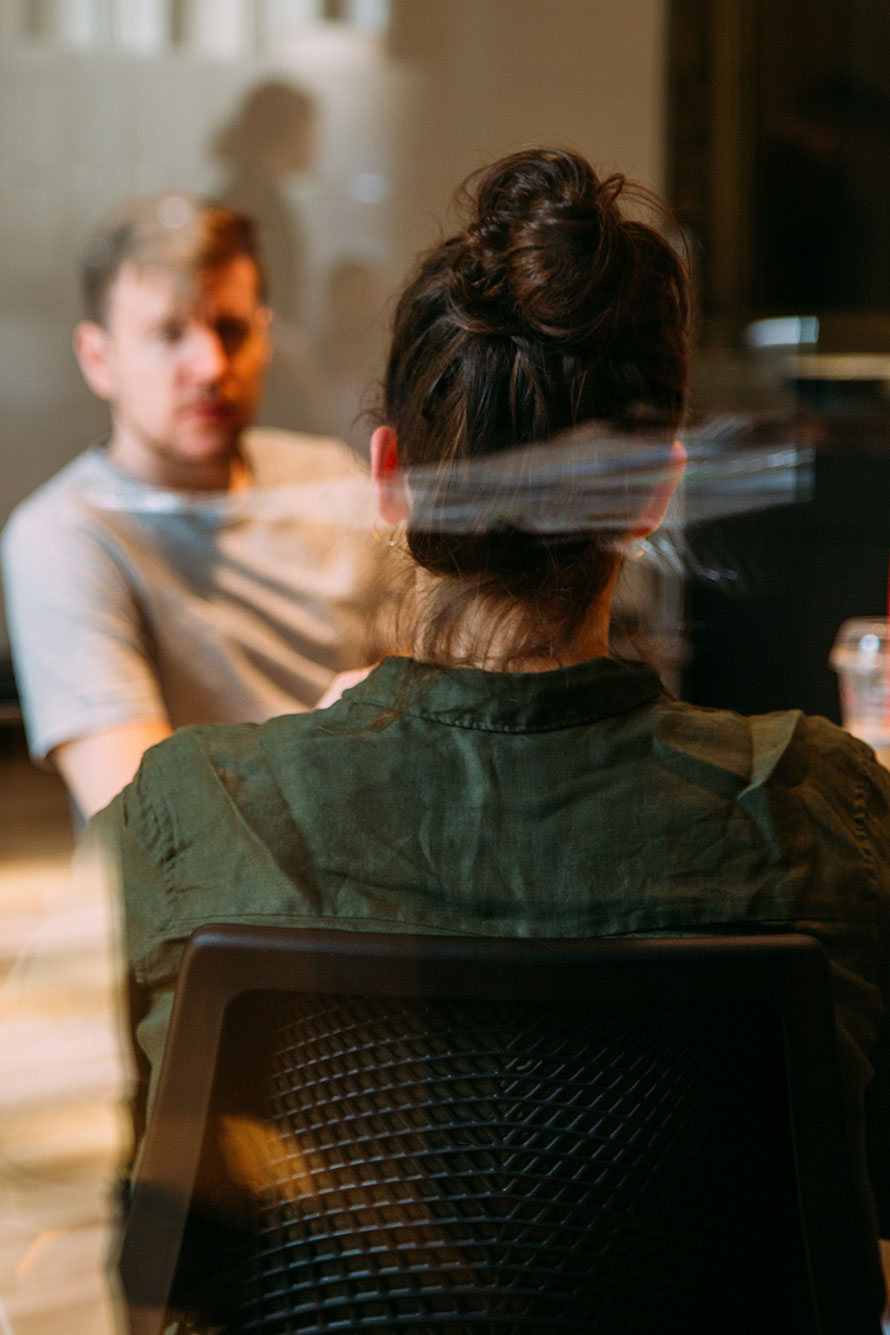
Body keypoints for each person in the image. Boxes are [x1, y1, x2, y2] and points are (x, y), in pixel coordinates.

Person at [84, 148, 890, 1312]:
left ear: (391, 478)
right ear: (655, 491)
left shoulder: (191, 815)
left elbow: (163, 1245)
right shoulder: (818, 807)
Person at [2, 193, 385, 820]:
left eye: (230, 330)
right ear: (99, 359)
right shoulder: (65, 535)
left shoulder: (330, 477)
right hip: (210, 915)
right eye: (169, 333)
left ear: (264, 339)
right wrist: (332, 738)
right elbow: (144, 819)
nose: (209, 366)